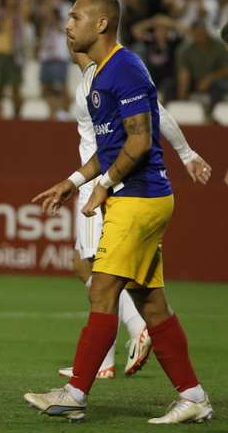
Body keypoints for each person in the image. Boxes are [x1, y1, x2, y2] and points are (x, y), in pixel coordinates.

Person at [27, 0, 213, 424]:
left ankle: (74, 394)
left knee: (102, 290)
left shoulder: (125, 68)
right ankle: (194, 397)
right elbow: (109, 147)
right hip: (135, 196)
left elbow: (140, 139)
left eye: (75, 17)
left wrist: (105, 186)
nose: (67, 25)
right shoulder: (98, 75)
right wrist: (73, 182)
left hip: (139, 197)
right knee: (151, 304)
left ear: (102, 24)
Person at [54, 40, 212, 380]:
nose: (68, 34)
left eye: (75, 21)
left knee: (99, 279)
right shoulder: (91, 77)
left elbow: (152, 118)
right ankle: (188, 393)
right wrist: (74, 180)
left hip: (118, 185)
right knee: (104, 275)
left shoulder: (118, 69)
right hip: (99, 179)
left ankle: (87, 381)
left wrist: (185, 154)